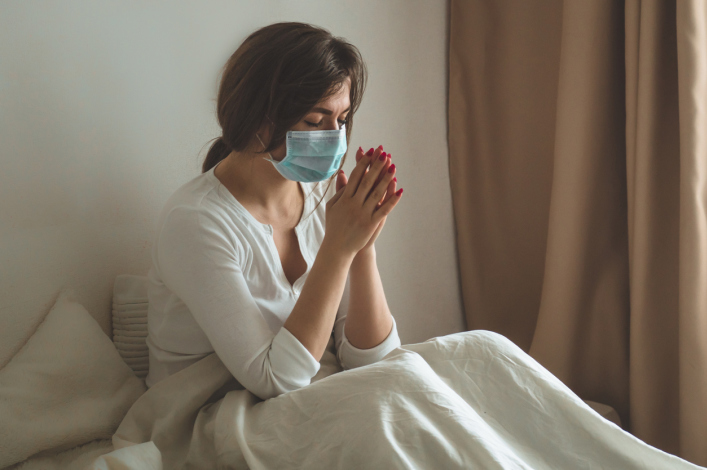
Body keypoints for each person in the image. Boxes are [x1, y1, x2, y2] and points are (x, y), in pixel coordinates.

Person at [144, 22, 405, 400]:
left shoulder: (325, 199)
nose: (335, 137)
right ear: (257, 117)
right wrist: (337, 249)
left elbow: (376, 361)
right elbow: (275, 381)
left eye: (342, 120)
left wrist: (362, 247)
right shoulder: (195, 222)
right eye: (314, 121)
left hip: (306, 401)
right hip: (210, 412)